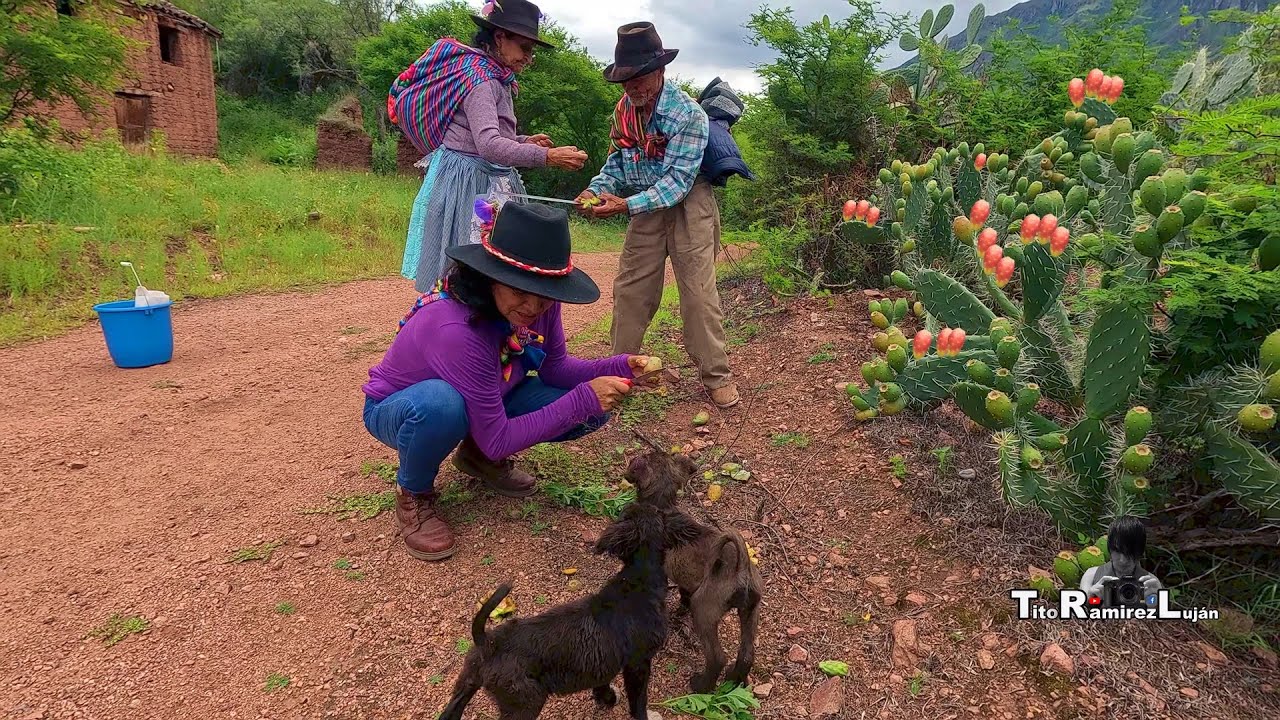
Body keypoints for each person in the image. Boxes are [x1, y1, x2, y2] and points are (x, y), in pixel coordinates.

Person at [362, 201, 653, 562]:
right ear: (491, 277)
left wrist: (623, 367)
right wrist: (582, 399)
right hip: (405, 408)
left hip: (484, 400)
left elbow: (556, 369)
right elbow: (499, 438)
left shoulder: (541, 302)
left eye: (544, 297)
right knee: (442, 405)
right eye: (519, 292)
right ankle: (414, 492)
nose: (532, 307)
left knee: (590, 410)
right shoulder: (456, 328)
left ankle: (476, 457)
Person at [575, 22, 740, 410]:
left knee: (698, 294)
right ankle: (617, 371)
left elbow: (678, 184)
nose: (634, 87)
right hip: (645, 208)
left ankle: (716, 376)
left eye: (640, 78)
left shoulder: (688, 116)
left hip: (688, 205)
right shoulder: (624, 112)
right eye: (626, 81)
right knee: (631, 289)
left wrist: (624, 205)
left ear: (660, 71)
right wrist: (597, 190)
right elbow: (617, 164)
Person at [388, 0, 588, 293]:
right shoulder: (481, 80)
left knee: (488, 270)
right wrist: (547, 156)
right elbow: (489, 146)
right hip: (466, 184)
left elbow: (485, 135)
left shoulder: (497, 78)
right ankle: (454, 329)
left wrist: (523, 141)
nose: (529, 58)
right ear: (499, 38)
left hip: (480, 179)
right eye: (525, 48)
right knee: (468, 271)